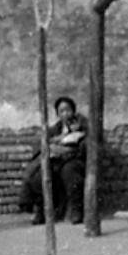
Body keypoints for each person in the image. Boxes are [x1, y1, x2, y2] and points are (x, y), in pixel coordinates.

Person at [18, 95, 88, 225]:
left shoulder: (82, 124)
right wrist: (52, 146)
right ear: (58, 114)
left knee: (70, 173)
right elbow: (41, 145)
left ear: (73, 111)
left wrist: (77, 139)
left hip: (73, 160)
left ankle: (76, 211)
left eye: (68, 110)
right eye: (61, 111)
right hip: (56, 160)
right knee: (39, 175)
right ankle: (41, 211)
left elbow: (88, 144)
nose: (65, 114)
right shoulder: (55, 129)